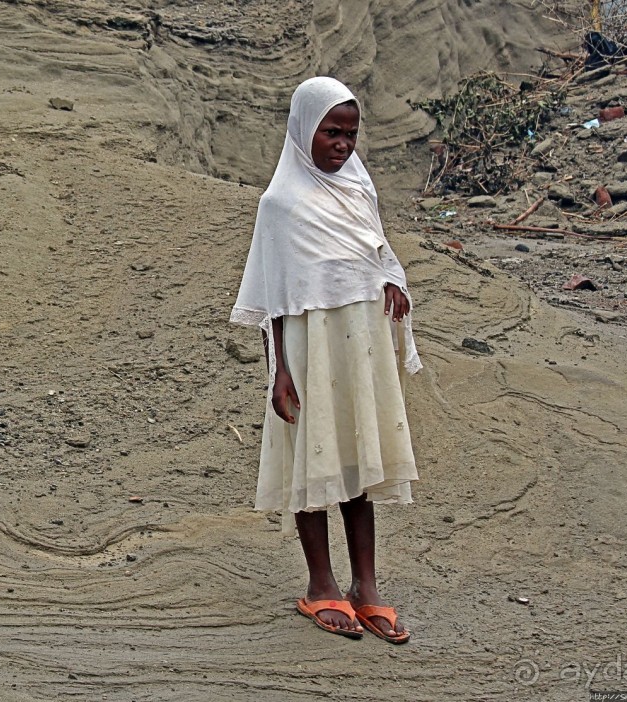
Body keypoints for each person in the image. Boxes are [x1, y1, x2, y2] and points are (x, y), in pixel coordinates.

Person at [230, 77, 421, 644]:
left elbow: (372, 251)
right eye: (331, 133)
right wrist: (278, 372)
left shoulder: (359, 190)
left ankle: (367, 588)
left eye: (351, 135)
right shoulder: (281, 205)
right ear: (302, 130)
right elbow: (274, 298)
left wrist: (390, 281)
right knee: (312, 463)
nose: (342, 145)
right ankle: (320, 585)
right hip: (308, 347)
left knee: (358, 459)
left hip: (357, 345)